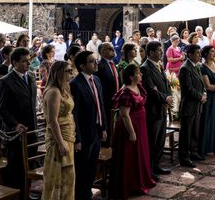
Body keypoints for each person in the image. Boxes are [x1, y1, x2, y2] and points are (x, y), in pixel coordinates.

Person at [109, 64, 156, 199]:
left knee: (140, 153)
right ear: (131, 76)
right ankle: (131, 184)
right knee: (130, 155)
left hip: (140, 125)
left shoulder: (138, 86)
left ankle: (141, 180)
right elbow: (124, 114)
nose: (141, 74)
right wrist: (131, 132)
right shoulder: (126, 92)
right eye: (138, 73)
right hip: (129, 127)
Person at [0, 47, 38, 193]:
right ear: (14, 62)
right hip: (15, 134)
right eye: (24, 61)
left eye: (29, 61)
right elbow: (1, 109)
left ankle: (26, 193)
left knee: (29, 167)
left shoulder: (31, 76)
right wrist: (15, 125)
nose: (28, 64)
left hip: (31, 130)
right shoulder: (5, 81)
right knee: (16, 169)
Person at [70, 51, 107, 200]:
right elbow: (74, 114)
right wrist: (77, 138)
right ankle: (81, 195)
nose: (95, 63)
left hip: (96, 130)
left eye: (95, 60)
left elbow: (101, 105)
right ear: (82, 65)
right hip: (84, 132)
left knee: (92, 166)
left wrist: (103, 127)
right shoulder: (75, 84)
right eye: (92, 61)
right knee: (82, 167)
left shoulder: (96, 80)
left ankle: (87, 193)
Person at [42, 61, 76, 200]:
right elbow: (52, 120)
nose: (71, 73)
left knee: (68, 176)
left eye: (71, 70)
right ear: (59, 73)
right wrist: (61, 143)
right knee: (58, 176)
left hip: (68, 135)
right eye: (68, 71)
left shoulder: (65, 88)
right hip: (59, 138)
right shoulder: (54, 91)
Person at [140, 41, 172, 177]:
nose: (161, 53)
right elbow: (151, 90)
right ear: (151, 52)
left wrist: (168, 97)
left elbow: (166, 84)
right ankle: (150, 169)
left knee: (160, 139)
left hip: (162, 108)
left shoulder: (159, 65)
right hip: (153, 109)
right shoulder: (145, 68)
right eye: (159, 50)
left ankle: (157, 165)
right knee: (152, 140)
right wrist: (165, 99)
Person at [178, 44, 206, 167]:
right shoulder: (185, 68)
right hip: (189, 105)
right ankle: (184, 157)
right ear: (190, 54)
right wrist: (200, 96)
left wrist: (204, 93)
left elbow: (201, 83)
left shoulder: (197, 67)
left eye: (200, 53)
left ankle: (193, 152)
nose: (200, 55)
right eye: (197, 53)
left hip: (197, 105)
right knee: (186, 133)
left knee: (195, 130)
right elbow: (188, 88)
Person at [96, 42, 119, 145]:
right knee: (107, 126)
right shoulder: (100, 66)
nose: (113, 50)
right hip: (106, 101)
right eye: (110, 49)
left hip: (115, 100)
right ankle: (106, 146)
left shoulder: (112, 63)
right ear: (103, 52)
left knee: (113, 126)